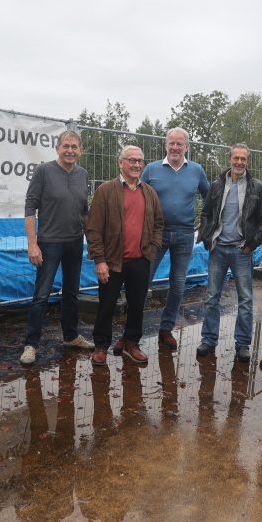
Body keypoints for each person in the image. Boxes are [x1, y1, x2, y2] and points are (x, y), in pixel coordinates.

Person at [85, 145, 164, 366]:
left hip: (141, 260)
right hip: (111, 261)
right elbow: (93, 228)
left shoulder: (149, 192)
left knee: (137, 305)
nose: (137, 165)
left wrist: (153, 247)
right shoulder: (105, 191)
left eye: (140, 161)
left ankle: (131, 343)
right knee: (107, 305)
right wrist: (99, 260)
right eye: (132, 160)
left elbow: (159, 223)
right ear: (120, 163)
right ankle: (101, 346)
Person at [20, 130, 93, 365]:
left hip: (74, 242)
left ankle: (71, 337)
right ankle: (31, 344)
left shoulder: (83, 174)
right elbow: (30, 208)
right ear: (57, 148)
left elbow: (84, 212)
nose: (70, 151)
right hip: (49, 243)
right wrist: (33, 244)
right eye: (66, 146)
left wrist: (91, 242)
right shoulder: (44, 171)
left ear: (81, 151)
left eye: (74, 147)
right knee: (41, 295)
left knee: (72, 293)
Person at [196, 144, 262, 361]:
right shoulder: (217, 185)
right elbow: (207, 213)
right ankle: (208, 340)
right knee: (212, 297)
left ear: (247, 161)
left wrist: (252, 244)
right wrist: (209, 237)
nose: (239, 162)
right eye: (236, 158)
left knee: (245, 300)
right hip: (218, 249)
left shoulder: (255, 187)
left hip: (241, 250)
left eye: (243, 159)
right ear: (229, 159)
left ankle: (243, 344)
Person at [140, 127, 210, 349]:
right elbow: (137, 197)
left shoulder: (196, 170)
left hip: (184, 234)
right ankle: (133, 331)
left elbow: (210, 197)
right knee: (143, 281)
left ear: (186, 147)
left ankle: (166, 329)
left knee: (178, 284)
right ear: (166, 145)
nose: (175, 147)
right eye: (172, 143)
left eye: (180, 144)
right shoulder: (151, 170)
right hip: (156, 234)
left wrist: (205, 222)